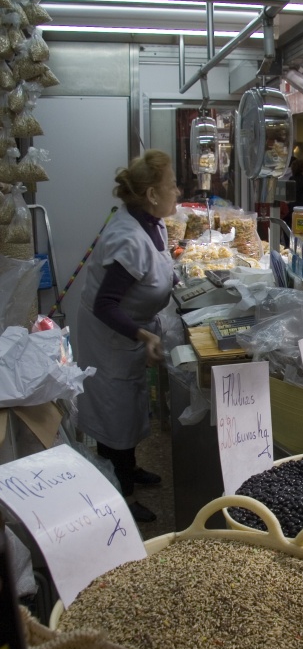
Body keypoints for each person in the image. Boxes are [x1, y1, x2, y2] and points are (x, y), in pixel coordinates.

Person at [75, 150, 180, 523]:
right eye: (171, 185)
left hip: (128, 333)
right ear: (152, 194)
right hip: (108, 337)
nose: (177, 192)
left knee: (131, 404)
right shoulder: (127, 238)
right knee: (115, 413)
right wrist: (141, 334)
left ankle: (129, 468)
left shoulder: (153, 223)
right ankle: (124, 494)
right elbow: (106, 304)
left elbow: (157, 266)